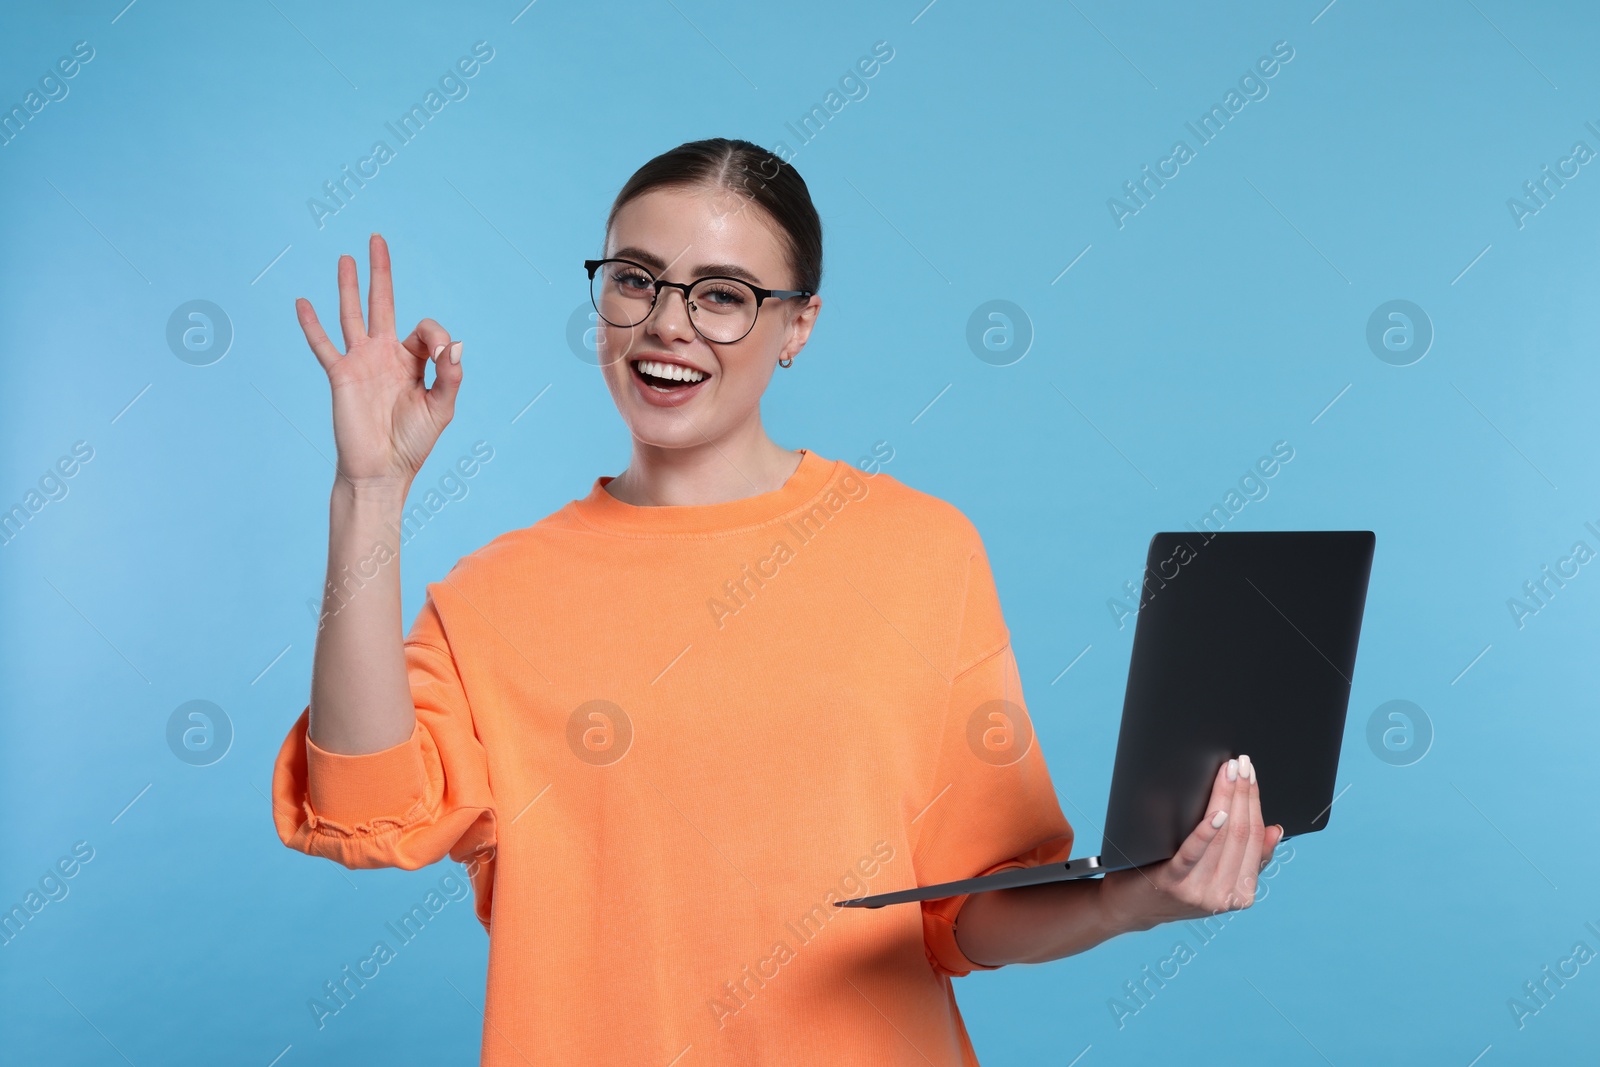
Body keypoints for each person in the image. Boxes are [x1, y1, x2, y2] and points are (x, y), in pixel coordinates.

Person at [269, 136, 1283, 1065]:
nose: (667, 323)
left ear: (798, 324)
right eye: (635, 280)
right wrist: (369, 488)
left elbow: (966, 910)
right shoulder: (495, 598)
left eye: (723, 294)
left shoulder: (919, 551)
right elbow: (362, 812)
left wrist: (1140, 897)